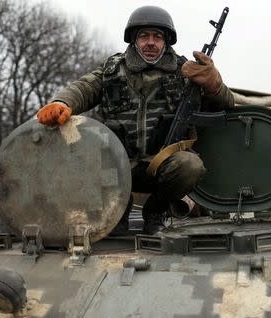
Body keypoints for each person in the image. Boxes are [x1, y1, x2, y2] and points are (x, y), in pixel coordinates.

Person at [36, 6, 234, 234]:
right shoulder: (112, 69)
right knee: (83, 154)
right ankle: (119, 210)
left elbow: (227, 105)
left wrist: (214, 84)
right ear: (134, 40)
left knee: (190, 165)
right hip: (117, 167)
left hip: (163, 167)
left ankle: (156, 211)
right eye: (144, 36)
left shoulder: (186, 72)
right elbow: (83, 88)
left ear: (166, 41)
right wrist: (62, 103)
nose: (151, 42)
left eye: (157, 37)